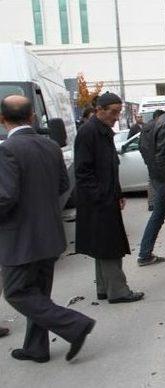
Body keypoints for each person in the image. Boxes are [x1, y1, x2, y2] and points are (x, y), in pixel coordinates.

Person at [0, 95, 96, 362]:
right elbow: (63, 187)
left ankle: (75, 325)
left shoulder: (6, 149)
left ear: (2, 119)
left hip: (19, 238)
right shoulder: (51, 146)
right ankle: (36, 347)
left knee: (17, 293)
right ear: (32, 116)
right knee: (39, 293)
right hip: (50, 235)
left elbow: (5, 197)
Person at [75, 92, 144, 303]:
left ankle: (104, 288)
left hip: (105, 197)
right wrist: (103, 197)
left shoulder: (102, 131)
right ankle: (118, 291)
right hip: (98, 202)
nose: (116, 117)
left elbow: (110, 168)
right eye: (113, 112)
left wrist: (118, 192)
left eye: (119, 112)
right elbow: (83, 172)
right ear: (99, 110)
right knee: (110, 247)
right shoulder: (88, 133)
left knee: (102, 246)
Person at [137, 93, 165, 267]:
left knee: (159, 214)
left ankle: (144, 254)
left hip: (157, 177)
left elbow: (146, 152)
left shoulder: (150, 126)